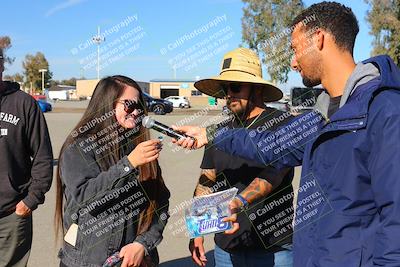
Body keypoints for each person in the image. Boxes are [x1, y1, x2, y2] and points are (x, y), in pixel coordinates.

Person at [173, 2, 400, 267]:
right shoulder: (321, 115)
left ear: (319, 39)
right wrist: (210, 134)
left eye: (294, 49)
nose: (293, 62)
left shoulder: (386, 110)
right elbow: (270, 146)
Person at [188, 48, 294, 267]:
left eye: (235, 86)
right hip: (227, 249)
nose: (229, 94)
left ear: (256, 88)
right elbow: (207, 181)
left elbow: (274, 174)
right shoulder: (218, 132)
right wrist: (198, 230)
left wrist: (238, 202)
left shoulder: (281, 123)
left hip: (273, 249)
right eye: (225, 88)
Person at [55, 75, 170, 267]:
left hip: (135, 260)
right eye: (129, 105)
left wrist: (142, 245)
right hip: (87, 262)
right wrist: (129, 164)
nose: (137, 111)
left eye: (140, 105)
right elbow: (85, 197)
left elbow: (161, 204)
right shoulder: (78, 148)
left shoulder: (138, 147)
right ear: (106, 105)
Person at [0, 48, 53, 266]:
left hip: (12, 214)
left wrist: (30, 200)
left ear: (2, 65)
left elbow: (43, 156)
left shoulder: (23, 104)